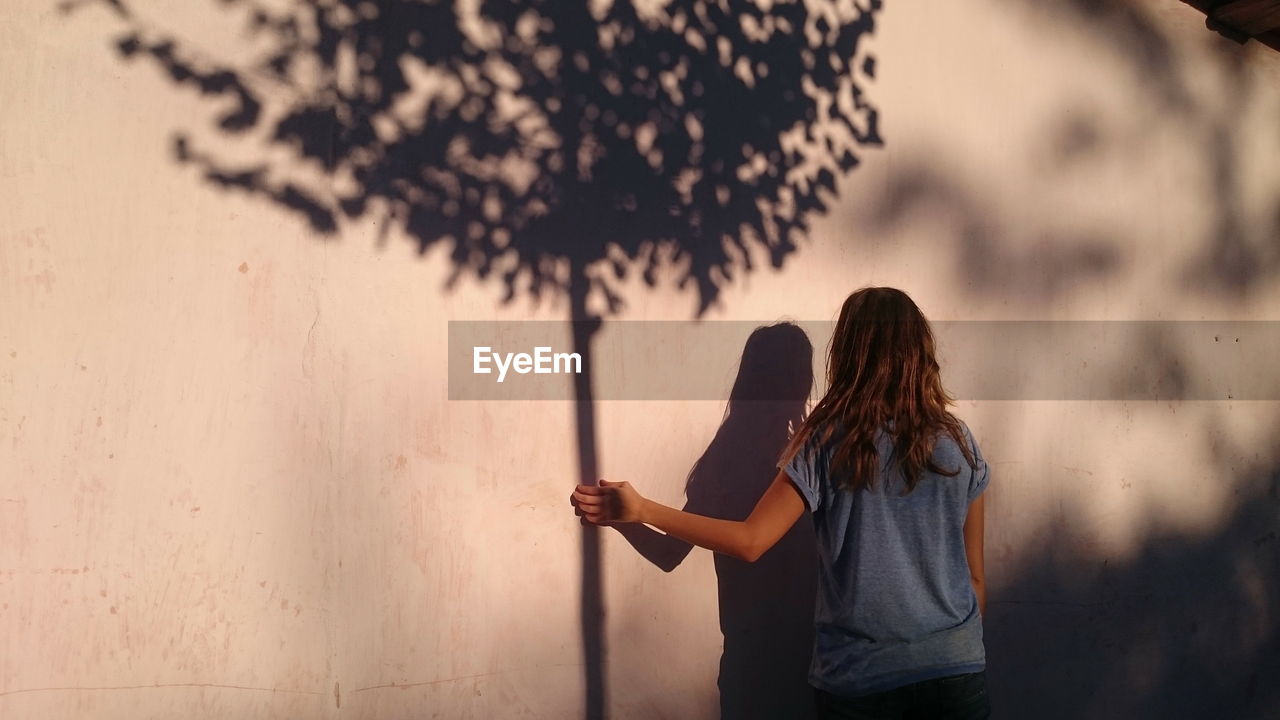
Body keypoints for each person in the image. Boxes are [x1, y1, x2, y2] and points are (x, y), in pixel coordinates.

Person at [571, 287, 992, 720]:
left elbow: (743, 542)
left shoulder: (819, 443)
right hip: (953, 671)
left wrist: (637, 512)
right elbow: (975, 579)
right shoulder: (957, 442)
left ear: (847, 354)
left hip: (828, 674)